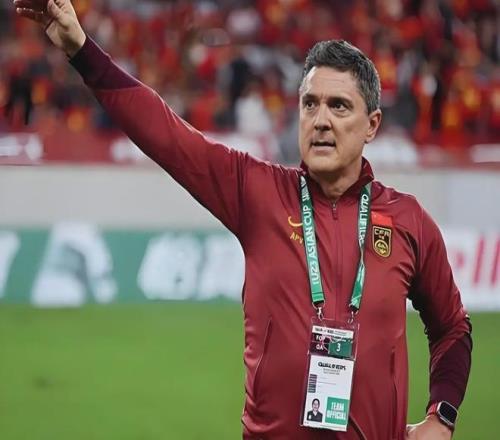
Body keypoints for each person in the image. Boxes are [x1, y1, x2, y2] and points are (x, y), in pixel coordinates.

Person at [14, 1, 472, 439]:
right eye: (310, 104)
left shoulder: (407, 220)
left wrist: (442, 415)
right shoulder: (257, 193)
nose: (320, 120)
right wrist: (80, 49)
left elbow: (452, 327)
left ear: (371, 124)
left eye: (339, 106)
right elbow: (165, 134)